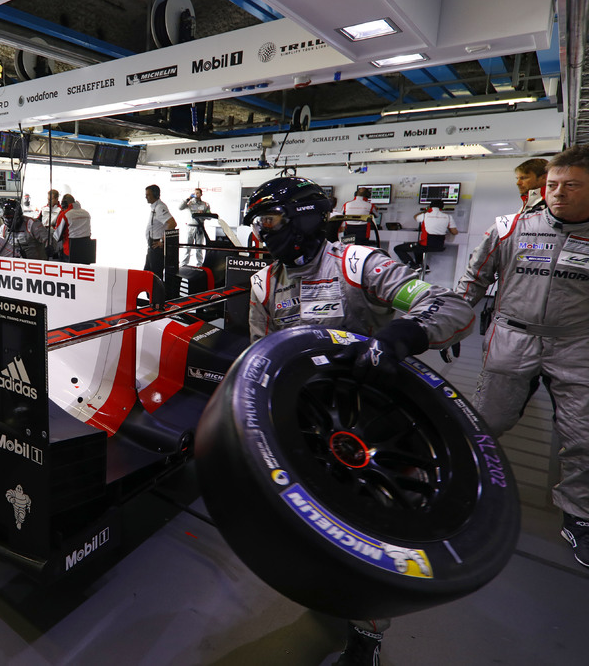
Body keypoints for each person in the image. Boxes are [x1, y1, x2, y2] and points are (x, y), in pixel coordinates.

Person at [245, 176, 474, 666]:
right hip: (304, 418)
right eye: (259, 223)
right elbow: (258, 354)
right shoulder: (263, 282)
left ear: (304, 218)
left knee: (368, 531)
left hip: (369, 420)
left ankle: (366, 633)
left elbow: (452, 307)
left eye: (270, 220)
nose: (263, 232)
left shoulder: (358, 264)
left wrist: (400, 336)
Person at [455, 145, 589, 569]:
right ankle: (461, 484)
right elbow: (472, 282)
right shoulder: (510, 227)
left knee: (583, 436)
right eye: (553, 184)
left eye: (572, 185)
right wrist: (449, 325)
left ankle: (580, 515)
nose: (558, 193)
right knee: (485, 421)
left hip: (577, 344)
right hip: (512, 337)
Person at [394, 200, 457, 271]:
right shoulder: (448, 217)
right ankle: (423, 266)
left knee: (398, 248)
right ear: (442, 207)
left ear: (430, 206)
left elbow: (415, 217)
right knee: (417, 247)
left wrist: (426, 211)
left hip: (425, 245)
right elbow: (454, 232)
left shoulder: (424, 215)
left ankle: (413, 265)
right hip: (439, 246)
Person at [144, 184, 176, 278]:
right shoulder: (155, 207)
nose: (146, 197)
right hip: (152, 246)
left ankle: (157, 289)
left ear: (155, 195)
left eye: (148, 195)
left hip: (156, 247)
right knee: (147, 274)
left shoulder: (159, 207)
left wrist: (162, 240)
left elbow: (172, 223)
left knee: (155, 276)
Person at [179, 187, 211, 266]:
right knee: (187, 246)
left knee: (199, 248)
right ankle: (184, 264)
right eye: (195, 193)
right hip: (190, 227)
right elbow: (180, 207)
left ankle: (199, 264)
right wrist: (188, 198)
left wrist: (203, 214)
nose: (196, 194)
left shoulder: (205, 204)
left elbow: (209, 216)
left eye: (198, 193)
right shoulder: (190, 203)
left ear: (201, 194)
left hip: (200, 228)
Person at [62, 194, 93, 264]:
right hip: (87, 250)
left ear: (64, 204)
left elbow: (57, 235)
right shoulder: (86, 213)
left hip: (71, 250)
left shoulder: (66, 215)